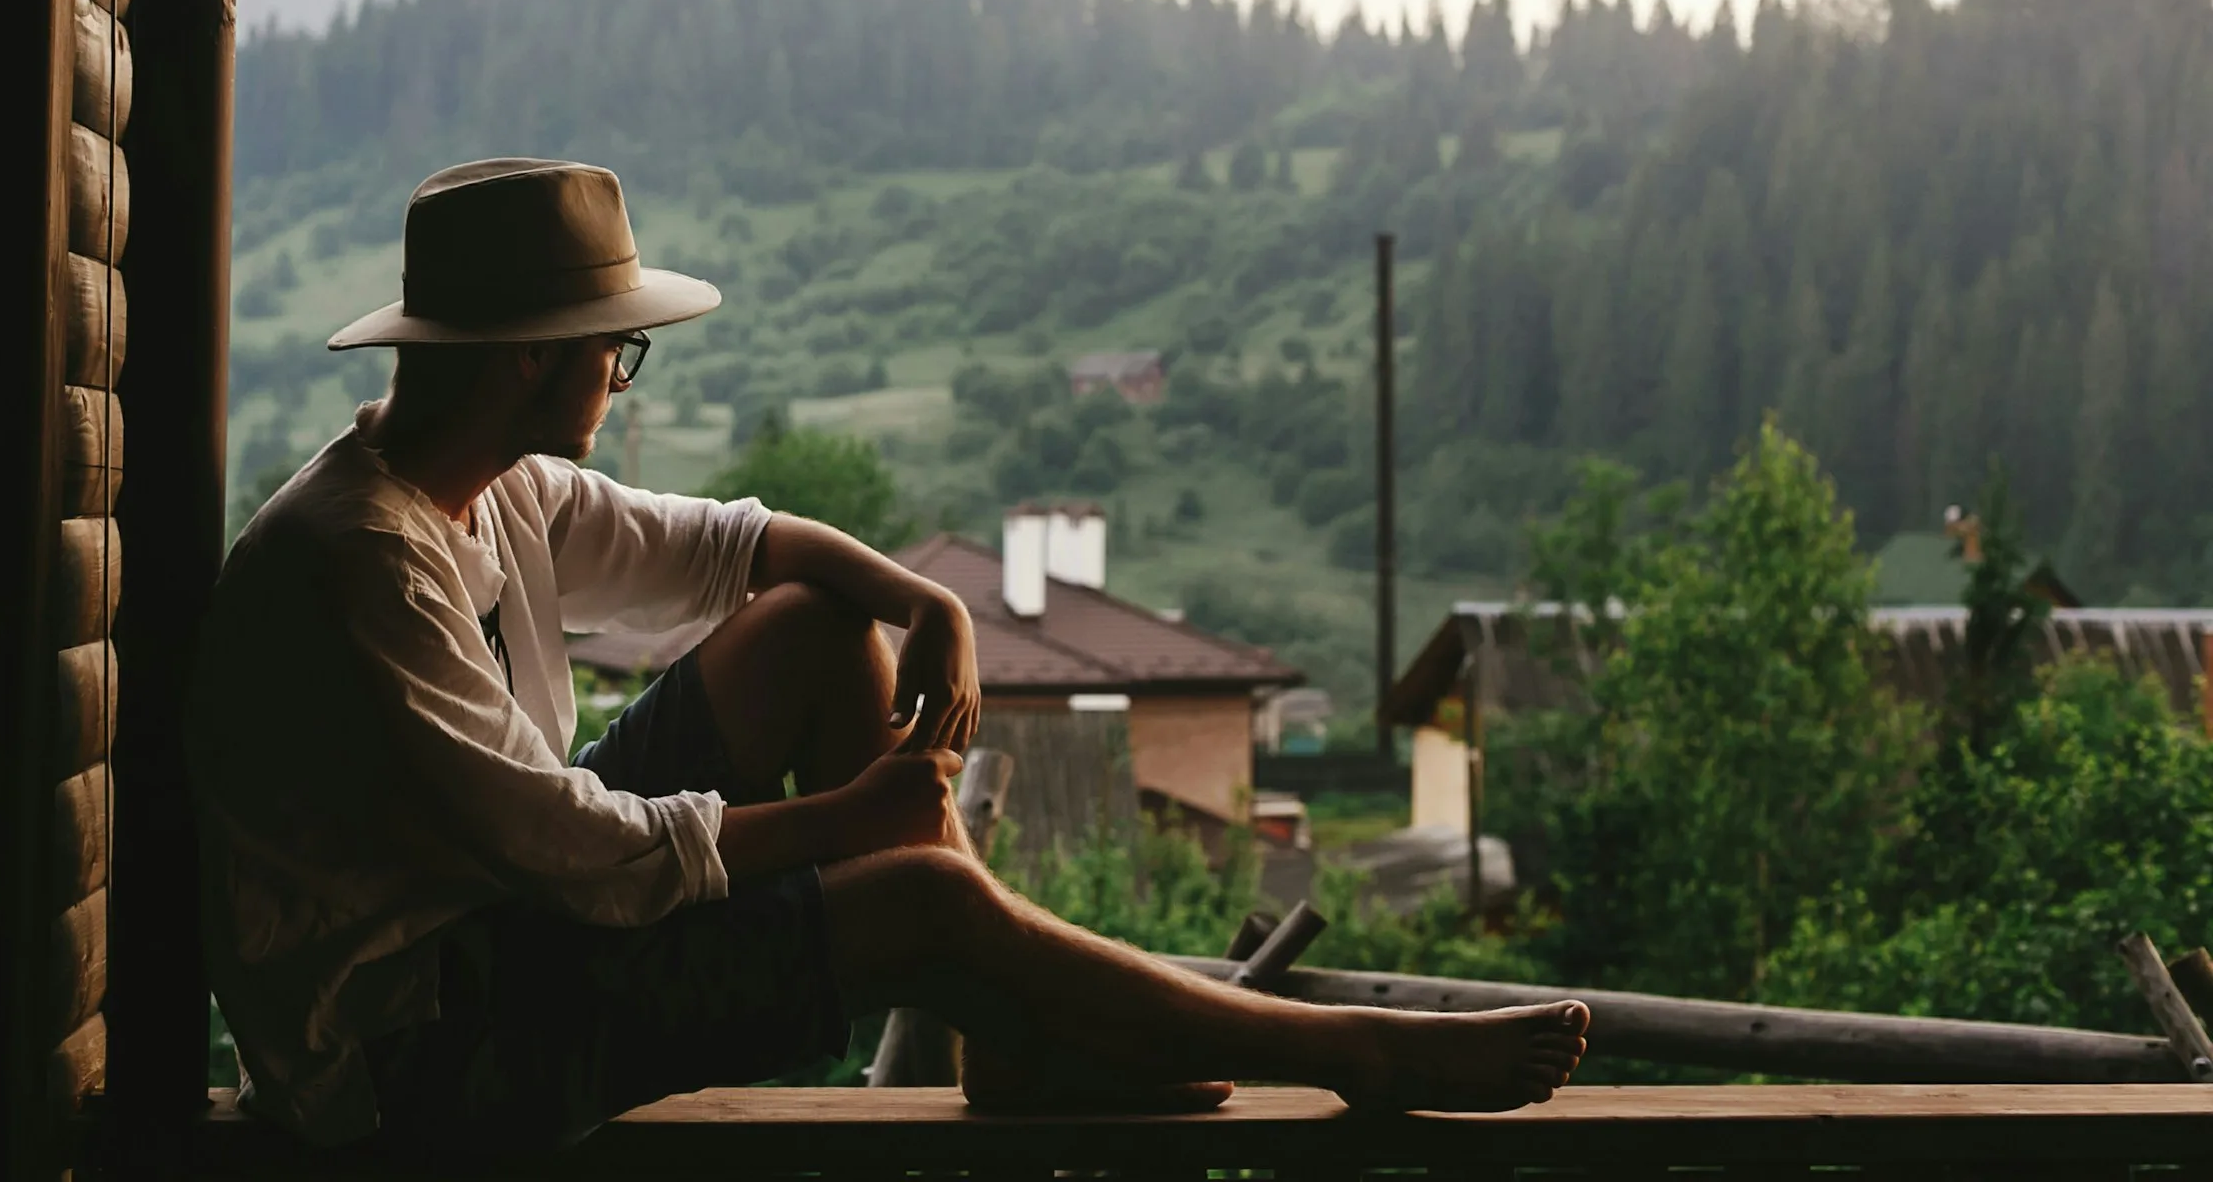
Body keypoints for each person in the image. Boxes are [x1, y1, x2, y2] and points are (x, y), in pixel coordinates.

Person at [188, 158, 1588, 1158]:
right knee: (910, 894)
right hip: (416, 1054)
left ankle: (1006, 1031)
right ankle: (1358, 1052)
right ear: (528, 363)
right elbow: (577, 852)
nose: (623, 372)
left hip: (500, 922)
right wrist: (853, 825)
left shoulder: (485, 480)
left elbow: (745, 550)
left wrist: (928, 604)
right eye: (617, 347)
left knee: (820, 627)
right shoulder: (360, 560)